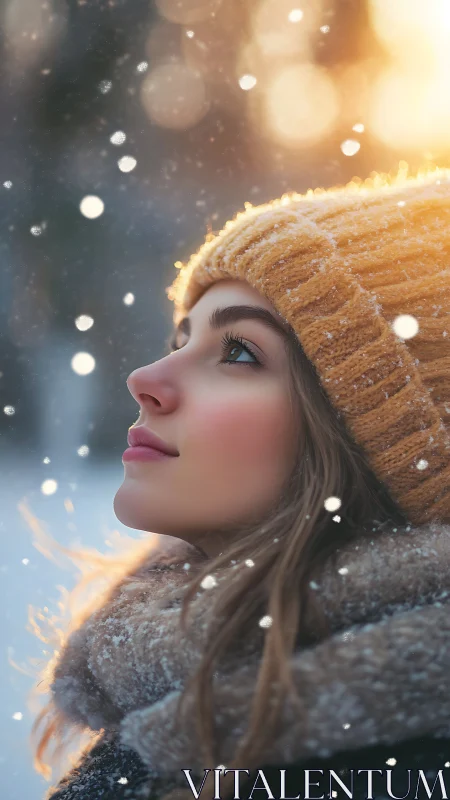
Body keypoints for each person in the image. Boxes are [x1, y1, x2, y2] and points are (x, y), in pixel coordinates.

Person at [32, 163, 450, 800]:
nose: (146, 377)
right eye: (181, 337)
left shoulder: (385, 765)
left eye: (239, 352)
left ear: (371, 439)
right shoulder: (180, 673)